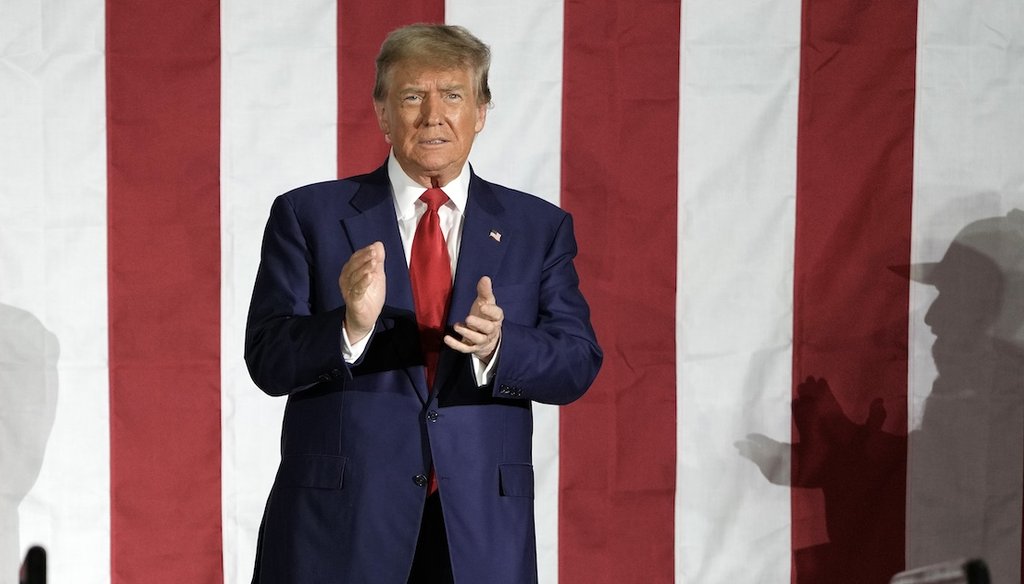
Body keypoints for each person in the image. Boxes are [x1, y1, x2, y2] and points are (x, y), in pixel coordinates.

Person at [244, 23, 602, 583]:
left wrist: (501, 346)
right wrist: (349, 327)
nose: (433, 114)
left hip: (477, 531)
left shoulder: (538, 228)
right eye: (413, 96)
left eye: (453, 95)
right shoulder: (308, 216)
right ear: (383, 113)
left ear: (481, 111)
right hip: (340, 529)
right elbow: (267, 359)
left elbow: (577, 363)